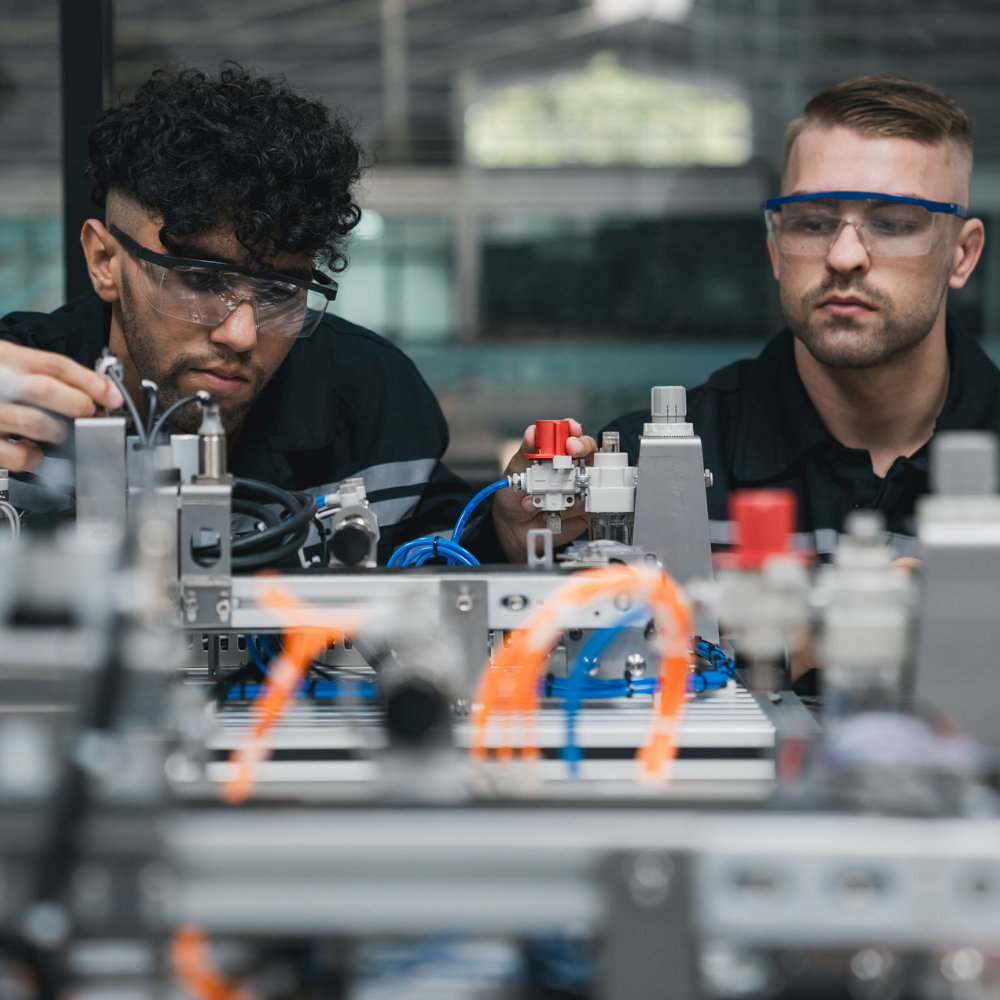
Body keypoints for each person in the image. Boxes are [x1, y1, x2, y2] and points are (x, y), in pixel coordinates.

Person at [492, 76, 994, 568]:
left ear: (963, 256)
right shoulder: (649, 470)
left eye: (892, 223)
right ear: (775, 248)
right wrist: (513, 548)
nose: (844, 256)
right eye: (813, 222)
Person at [0, 65, 474, 560]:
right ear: (104, 261)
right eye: (201, 280)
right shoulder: (12, 395)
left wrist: (507, 531)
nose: (241, 334)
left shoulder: (372, 400)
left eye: (279, 292)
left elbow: (449, 560)